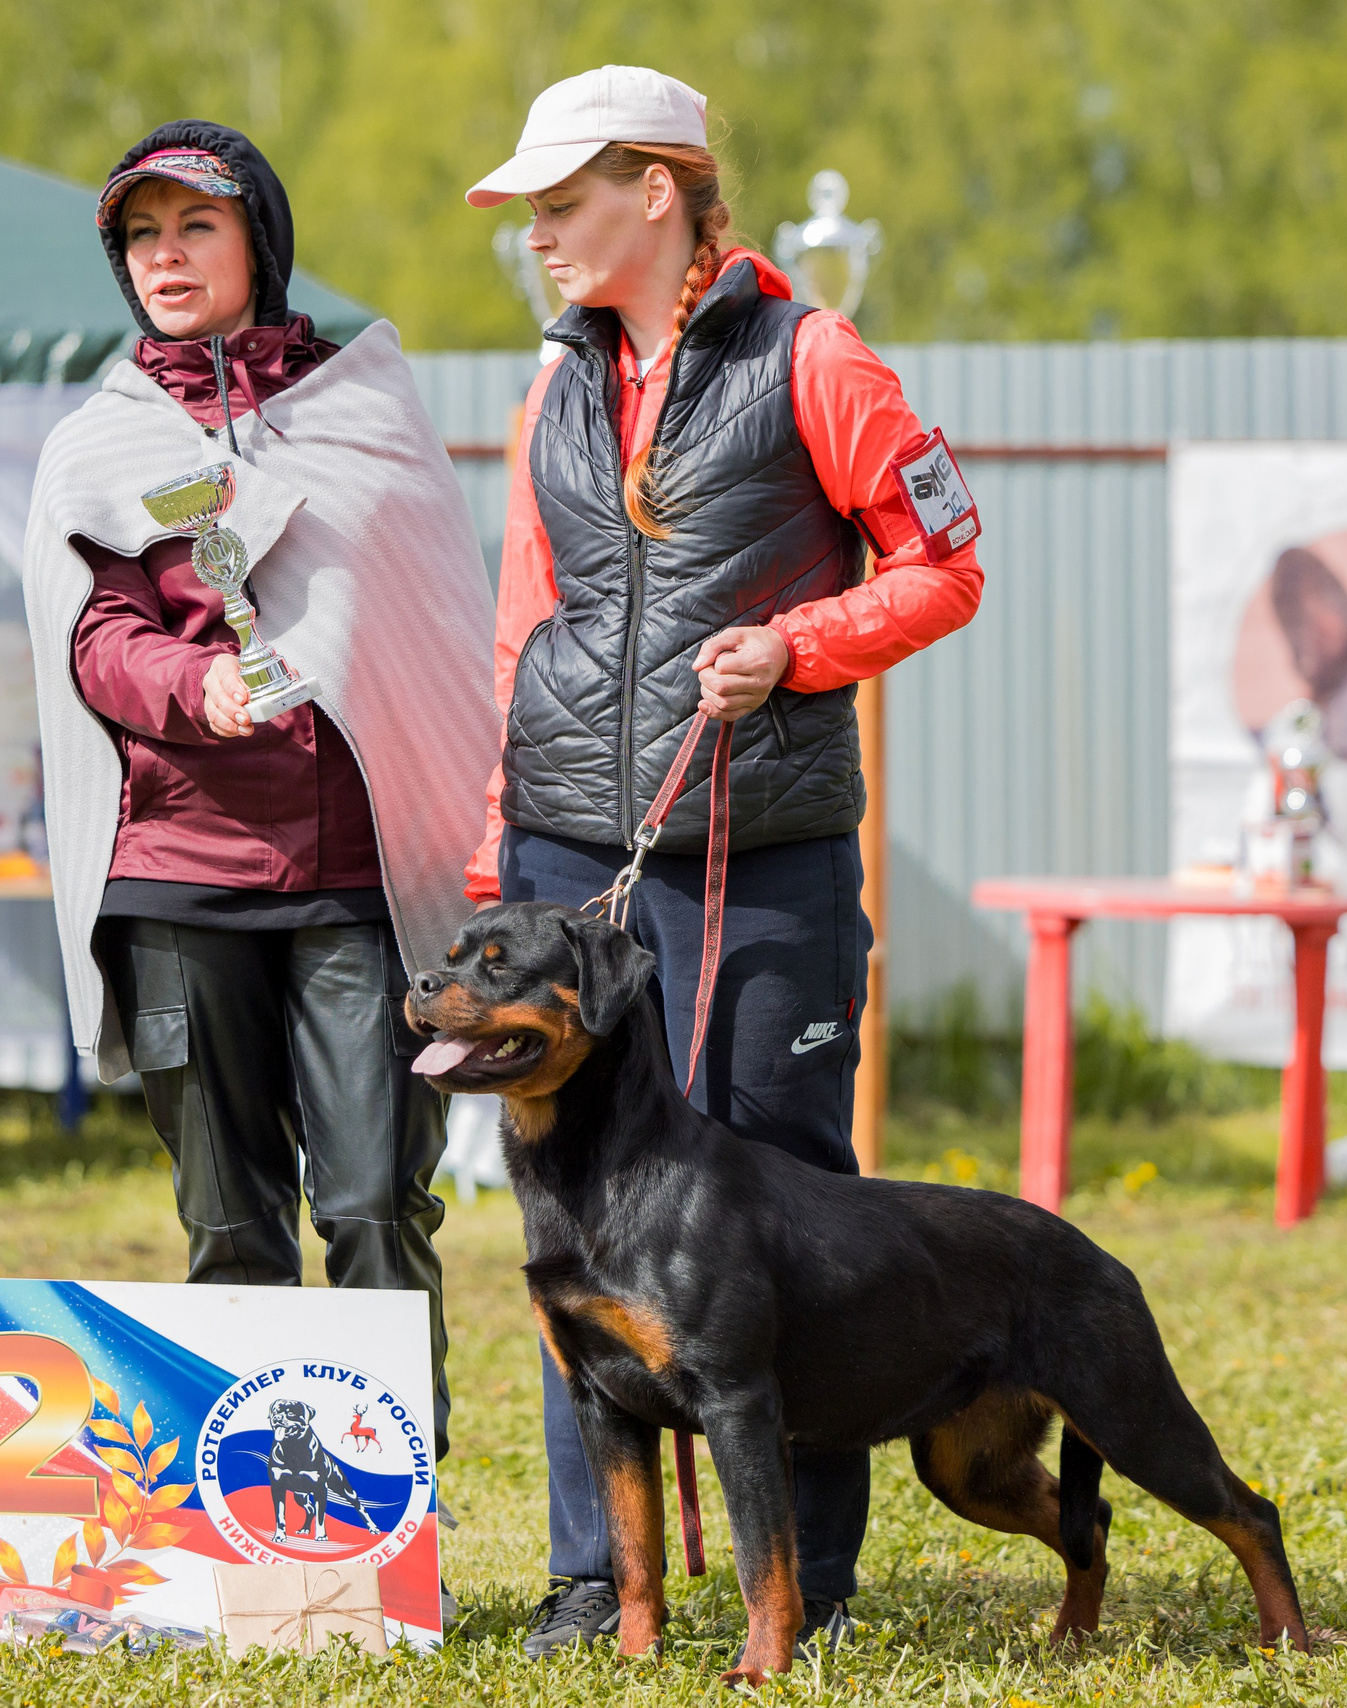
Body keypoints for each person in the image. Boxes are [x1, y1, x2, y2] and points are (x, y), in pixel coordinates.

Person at [462, 65, 986, 1657]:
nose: (540, 233)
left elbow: (945, 563)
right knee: (568, 1218)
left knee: (789, 1198)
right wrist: (503, 859)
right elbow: (520, 630)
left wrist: (800, 645)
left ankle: (805, 1594)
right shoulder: (548, 391)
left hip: (763, 856)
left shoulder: (815, 355)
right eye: (536, 209)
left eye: (563, 203)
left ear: (661, 188)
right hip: (571, 857)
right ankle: (586, 1582)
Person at [19, 121, 499, 1483]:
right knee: (231, 1228)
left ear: (258, 244)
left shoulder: (365, 409)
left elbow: (429, 629)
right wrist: (196, 687)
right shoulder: (99, 441)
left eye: (196, 229)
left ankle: (392, 1533)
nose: (165, 258)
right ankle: (246, 1532)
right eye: (141, 236)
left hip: (359, 882)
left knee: (374, 1208)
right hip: (178, 873)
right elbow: (93, 636)